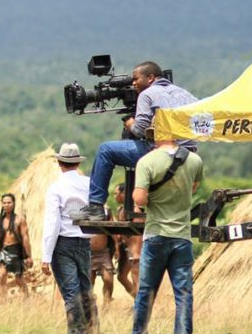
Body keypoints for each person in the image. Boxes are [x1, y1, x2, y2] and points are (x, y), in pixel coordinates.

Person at [72, 61, 198, 221]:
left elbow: (140, 130)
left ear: (151, 78)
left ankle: (95, 206)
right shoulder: (186, 94)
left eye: (136, 79)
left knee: (106, 150)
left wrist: (131, 124)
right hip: (188, 155)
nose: (133, 83)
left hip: (161, 153)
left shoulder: (147, 94)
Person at [129, 135, 203, 334]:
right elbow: (193, 188)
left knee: (146, 292)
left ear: (157, 135)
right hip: (182, 236)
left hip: (156, 236)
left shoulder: (147, 161)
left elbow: (139, 199)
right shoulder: (194, 160)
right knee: (183, 294)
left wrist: (144, 195)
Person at [41, 143, 99, 334]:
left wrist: (46, 256)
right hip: (84, 242)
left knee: (71, 294)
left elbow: (52, 222)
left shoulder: (56, 187)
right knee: (86, 291)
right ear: (77, 162)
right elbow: (97, 211)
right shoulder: (90, 183)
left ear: (59, 163)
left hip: (63, 244)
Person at [0, 193, 33, 299]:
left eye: (9, 202)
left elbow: (25, 237)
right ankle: (3, 300)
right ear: (1, 204)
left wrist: (28, 256)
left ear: (14, 203)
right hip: (3, 250)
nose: (7, 205)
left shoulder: (20, 219)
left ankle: (26, 298)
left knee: (18, 279)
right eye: (4, 203)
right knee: (2, 276)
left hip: (16, 251)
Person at [113, 183, 142, 297]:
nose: (115, 196)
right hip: (126, 247)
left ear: (124, 194)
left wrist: (136, 251)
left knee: (136, 277)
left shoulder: (135, 210)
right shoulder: (121, 209)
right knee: (121, 276)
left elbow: (139, 231)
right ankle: (137, 300)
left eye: (116, 194)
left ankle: (140, 305)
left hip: (134, 248)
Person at [89, 225, 115, 307]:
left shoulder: (107, 212)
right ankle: (89, 303)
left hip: (103, 252)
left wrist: (116, 245)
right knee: (89, 281)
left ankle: (107, 301)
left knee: (108, 279)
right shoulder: (85, 211)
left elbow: (113, 227)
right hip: (89, 251)